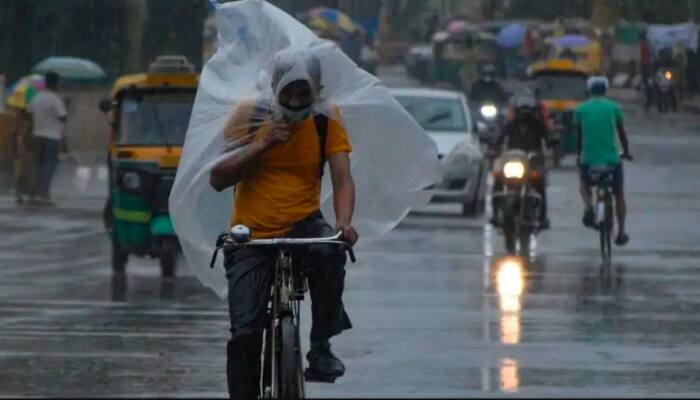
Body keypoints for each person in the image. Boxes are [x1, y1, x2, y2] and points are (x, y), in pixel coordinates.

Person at [209, 48, 358, 399]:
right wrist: (260, 145)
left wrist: (344, 222)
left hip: (303, 224)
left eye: (303, 92)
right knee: (245, 334)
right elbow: (218, 177)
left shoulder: (325, 119)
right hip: (251, 233)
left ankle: (320, 345)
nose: (295, 100)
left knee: (331, 251)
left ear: (317, 91)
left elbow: (342, 177)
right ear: (274, 87)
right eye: (288, 91)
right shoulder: (249, 115)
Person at [574, 76, 633, 246]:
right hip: (612, 160)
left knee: (584, 184)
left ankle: (588, 207)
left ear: (589, 90)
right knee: (619, 194)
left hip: (589, 160)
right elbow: (621, 134)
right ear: (605, 91)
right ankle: (621, 232)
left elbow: (579, 137)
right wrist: (627, 152)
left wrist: (580, 156)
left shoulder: (581, 109)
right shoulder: (614, 107)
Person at [491, 94, 552, 230]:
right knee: (497, 178)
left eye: (528, 110)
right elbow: (499, 138)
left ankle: (542, 217)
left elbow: (548, 138)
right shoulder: (510, 125)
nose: (525, 113)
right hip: (512, 161)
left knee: (540, 183)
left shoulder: (538, 125)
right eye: (522, 110)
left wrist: (552, 141)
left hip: (533, 162)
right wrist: (494, 146)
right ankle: (495, 213)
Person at [27, 71, 67, 205]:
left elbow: (29, 113)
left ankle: (34, 194)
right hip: (51, 137)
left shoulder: (36, 97)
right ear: (55, 83)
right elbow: (62, 117)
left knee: (37, 166)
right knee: (48, 167)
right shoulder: (55, 99)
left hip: (37, 135)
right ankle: (43, 195)